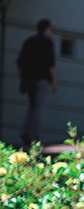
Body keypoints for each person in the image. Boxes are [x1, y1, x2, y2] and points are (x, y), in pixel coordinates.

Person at [17, 18, 57, 149]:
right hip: (42, 79)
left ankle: (26, 131)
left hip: (29, 79)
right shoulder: (47, 42)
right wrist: (55, 82)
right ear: (46, 29)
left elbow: (21, 62)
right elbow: (51, 64)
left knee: (32, 106)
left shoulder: (29, 41)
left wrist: (22, 80)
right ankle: (34, 134)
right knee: (39, 107)